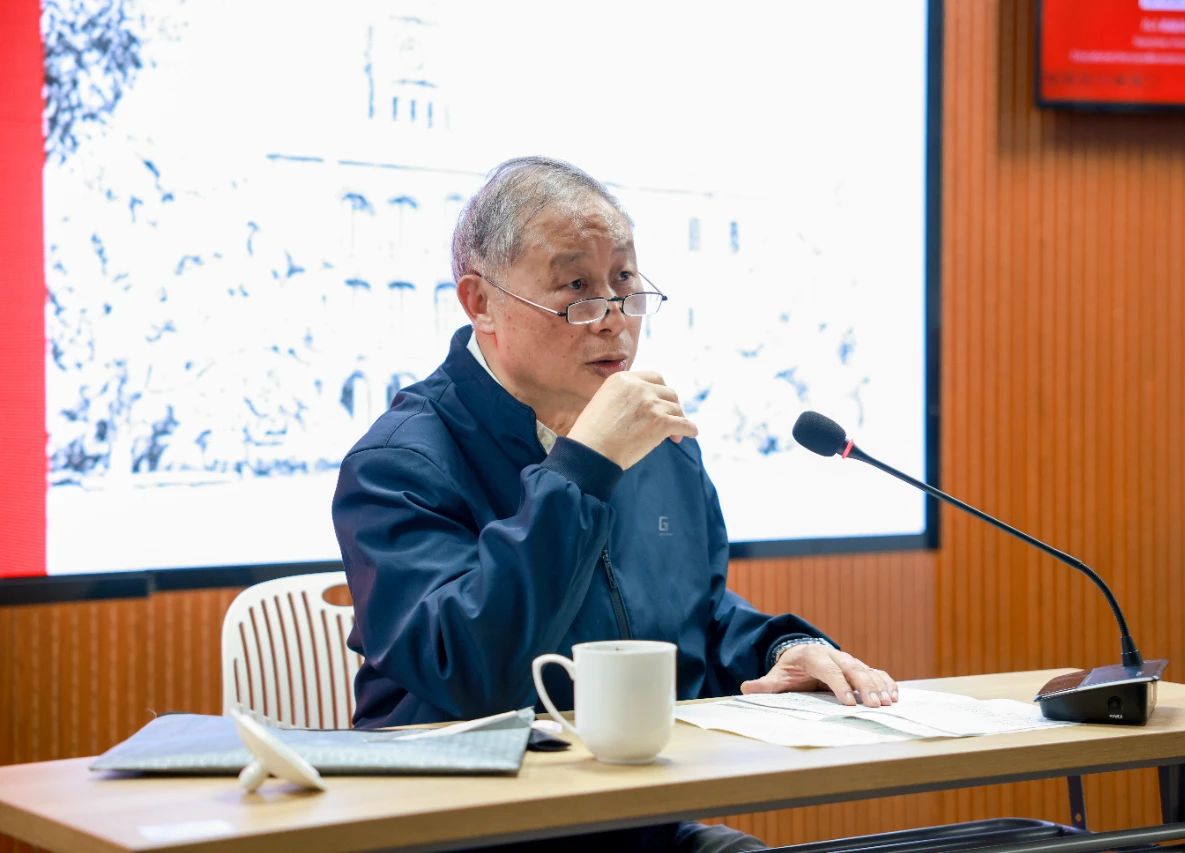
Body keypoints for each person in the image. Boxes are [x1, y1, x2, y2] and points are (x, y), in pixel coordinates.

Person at [332, 156, 898, 852]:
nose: (614, 322)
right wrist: (583, 466)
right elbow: (473, 672)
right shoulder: (397, 462)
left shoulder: (655, 442)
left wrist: (782, 648)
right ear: (480, 303)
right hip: (465, 828)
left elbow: (694, 617)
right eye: (576, 288)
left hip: (631, 819)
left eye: (624, 284)